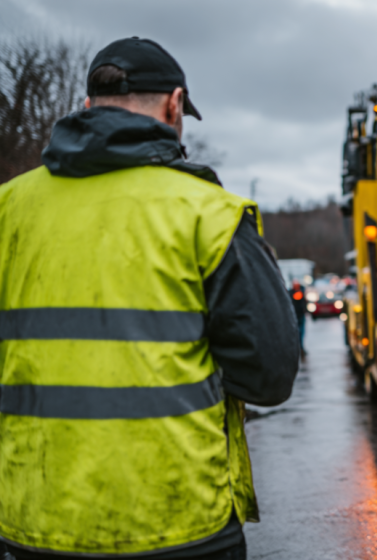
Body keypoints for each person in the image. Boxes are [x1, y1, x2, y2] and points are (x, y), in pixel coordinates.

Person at [0, 38, 299, 559]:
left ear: (88, 105)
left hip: (32, 520)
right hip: (177, 520)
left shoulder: (9, 208)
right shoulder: (208, 213)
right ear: (175, 105)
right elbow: (270, 376)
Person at [289, 280, 308, 359]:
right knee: (299, 332)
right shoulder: (295, 293)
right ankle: (299, 348)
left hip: (299, 314)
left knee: (301, 332)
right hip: (296, 315)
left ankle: (301, 347)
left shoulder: (294, 292)